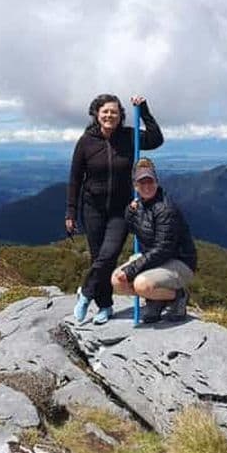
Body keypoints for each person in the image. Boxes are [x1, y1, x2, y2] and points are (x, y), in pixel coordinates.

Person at [66, 94, 163, 324]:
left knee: (108, 255)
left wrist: (145, 110)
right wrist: (71, 212)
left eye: (114, 112)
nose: (110, 116)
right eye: (105, 111)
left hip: (121, 209)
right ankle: (105, 306)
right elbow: (75, 179)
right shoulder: (86, 142)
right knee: (99, 258)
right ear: (96, 114)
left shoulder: (129, 137)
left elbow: (156, 139)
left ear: (121, 116)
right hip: (93, 208)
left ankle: (86, 294)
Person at [112, 158, 197, 323]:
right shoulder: (140, 206)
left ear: (156, 182)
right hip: (157, 260)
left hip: (179, 262)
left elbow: (163, 249)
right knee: (117, 281)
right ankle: (156, 299)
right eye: (141, 183)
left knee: (141, 284)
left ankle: (177, 296)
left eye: (150, 181)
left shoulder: (165, 209)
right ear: (136, 186)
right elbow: (131, 227)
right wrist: (130, 211)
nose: (146, 186)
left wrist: (131, 270)